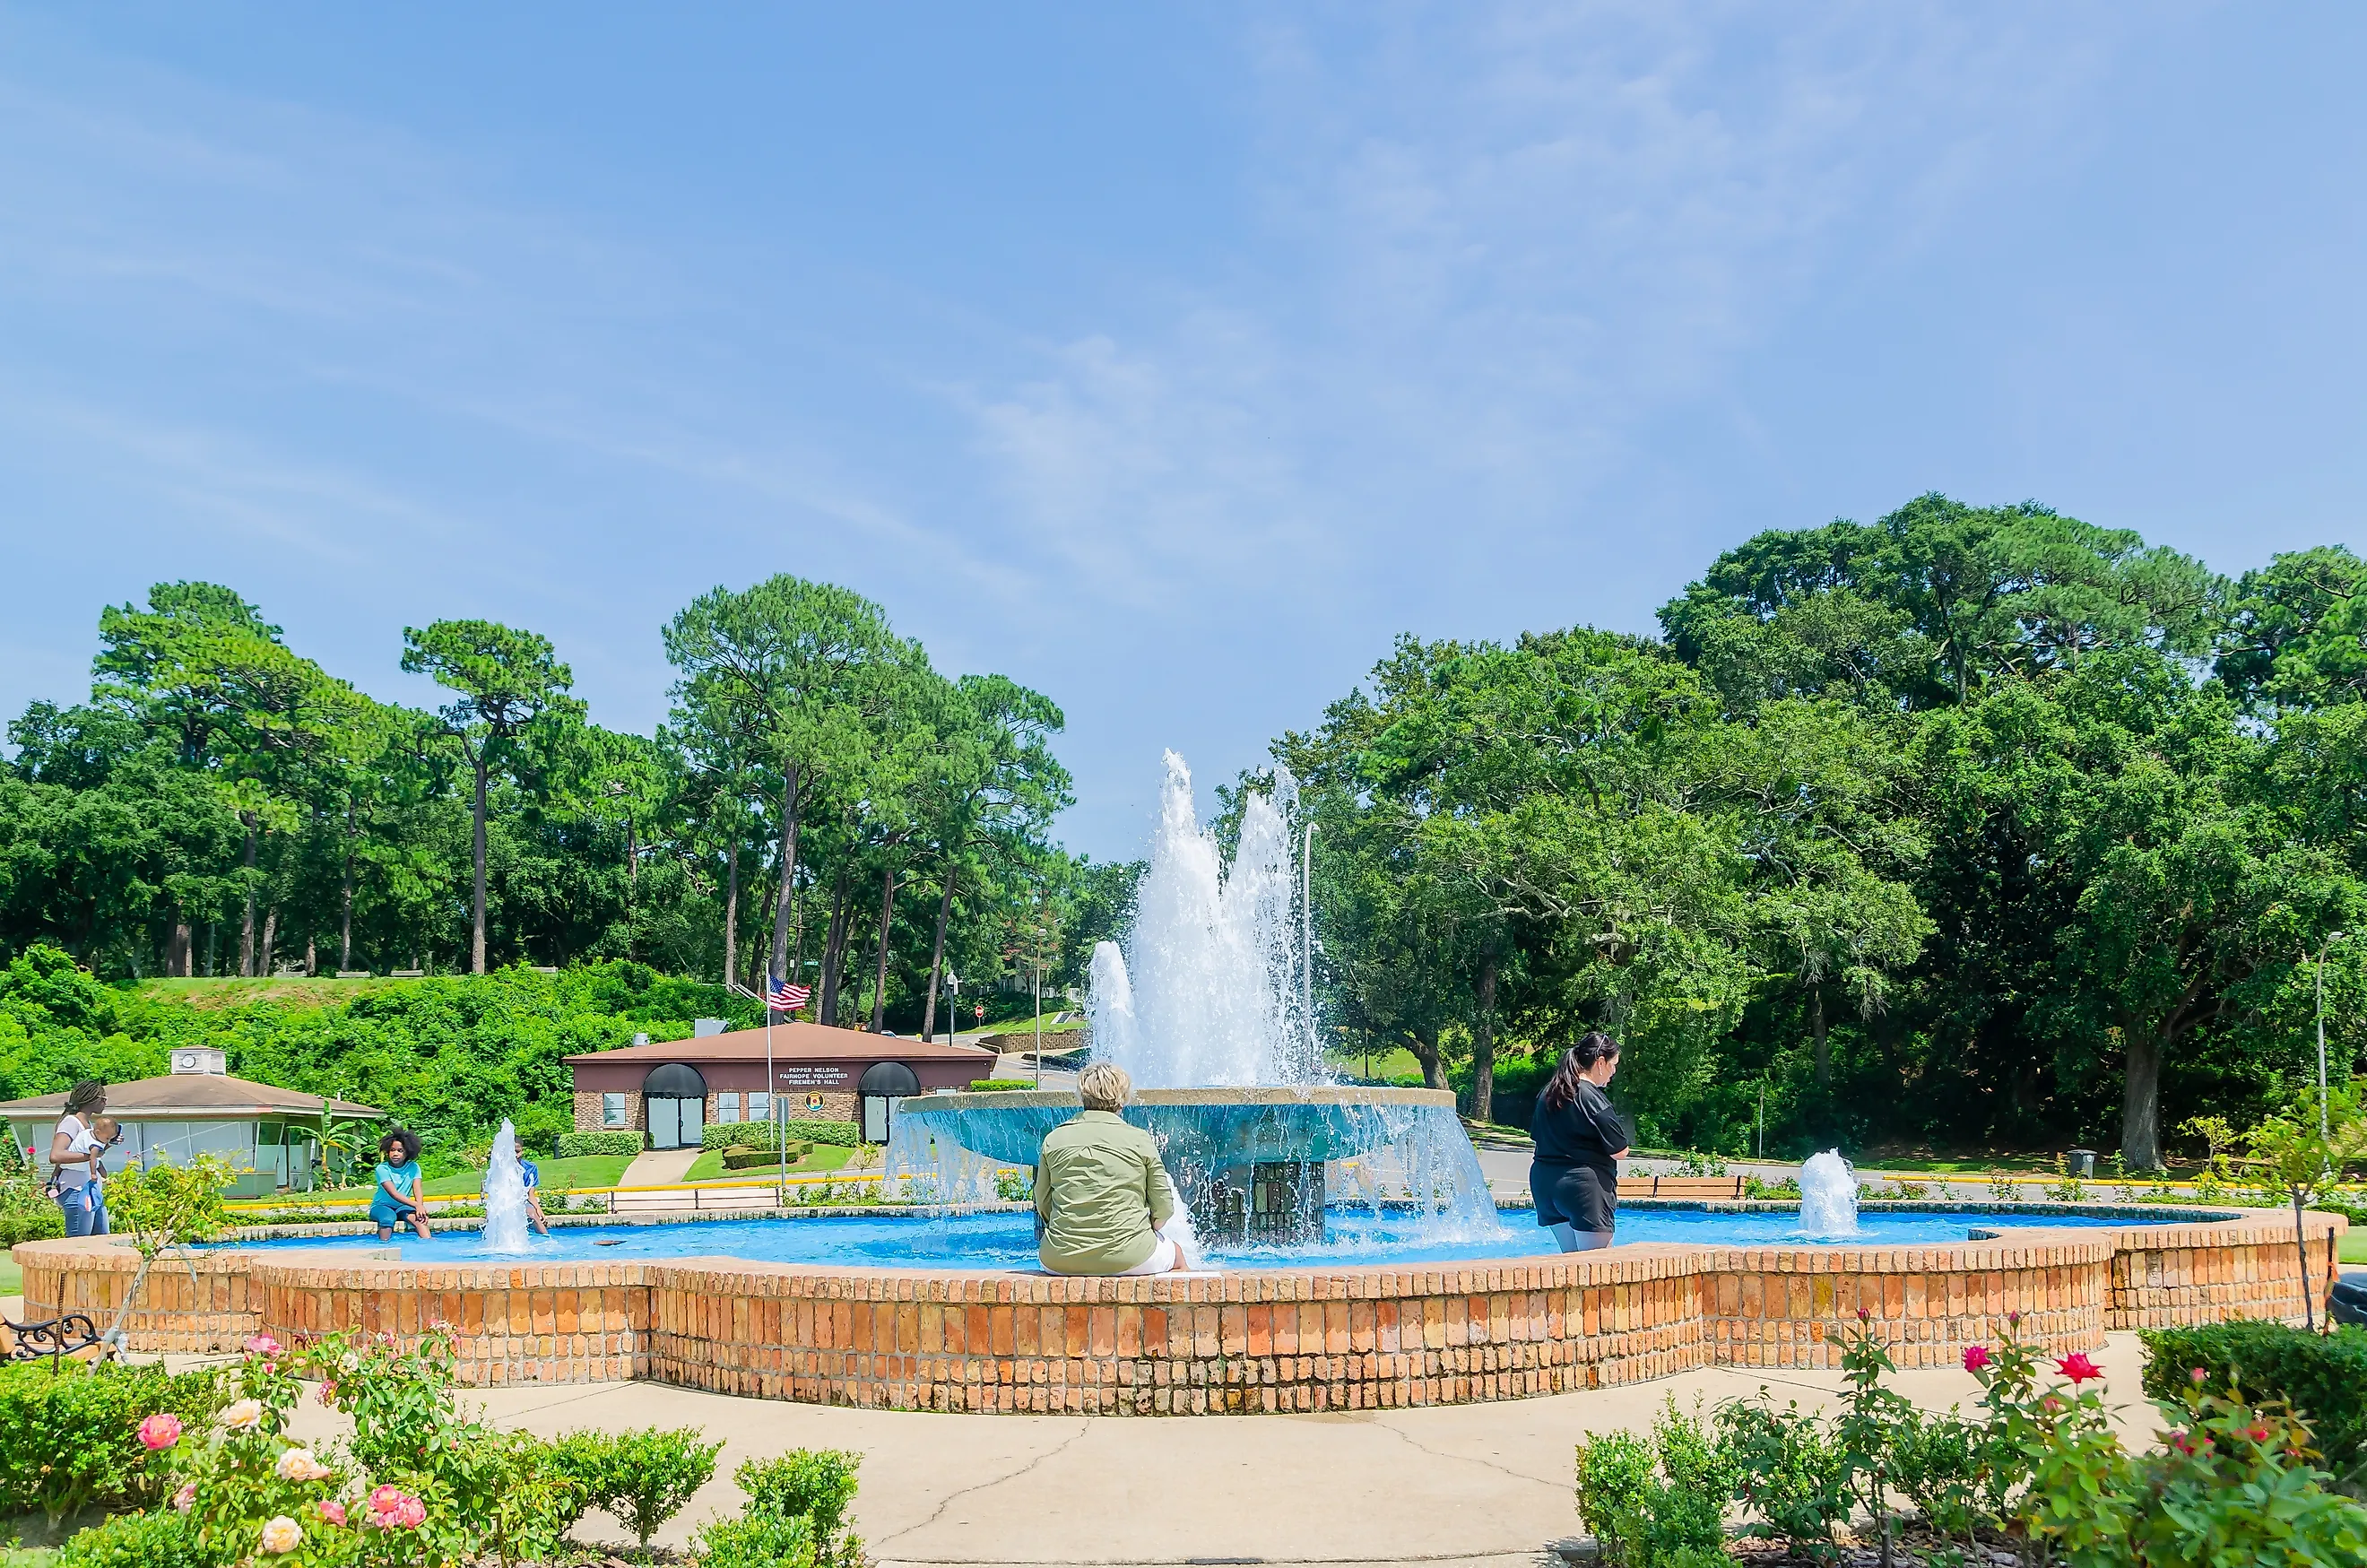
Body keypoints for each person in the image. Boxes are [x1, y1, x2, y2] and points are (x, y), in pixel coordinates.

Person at [1034, 1062, 1193, 1276]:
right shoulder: (1139, 1139)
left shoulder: (1054, 1139)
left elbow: (1043, 1203)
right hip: (1132, 1255)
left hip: (1059, 1259)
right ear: (1122, 1096)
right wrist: (1148, 1227)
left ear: (1082, 1095)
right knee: (1178, 1257)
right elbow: (1163, 1207)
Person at [1530, 1033, 1631, 1252]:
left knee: (1571, 1266)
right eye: (1613, 1065)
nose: (1614, 1072)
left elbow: (1538, 1138)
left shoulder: (1549, 1091)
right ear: (1601, 1062)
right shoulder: (1591, 1096)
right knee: (1597, 1271)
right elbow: (1620, 1151)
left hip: (1545, 1184)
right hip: (1583, 1187)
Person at [48, 1081, 116, 1237]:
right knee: (79, 1246)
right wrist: (90, 1156)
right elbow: (56, 1155)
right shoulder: (71, 1122)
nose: (105, 1102)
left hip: (91, 1192)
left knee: (101, 1243)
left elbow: (92, 1155)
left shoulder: (89, 1126)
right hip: (76, 1191)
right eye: (103, 1098)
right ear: (91, 1099)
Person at [371, 1130, 431, 1243]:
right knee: (388, 1219)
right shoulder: (382, 1169)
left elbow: (417, 1189)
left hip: (403, 1206)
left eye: (400, 1151)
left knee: (419, 1220)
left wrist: (420, 1208)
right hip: (382, 1206)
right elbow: (393, 1193)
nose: (395, 1154)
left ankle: (429, 1244)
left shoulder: (414, 1167)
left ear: (407, 1152)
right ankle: (384, 1247)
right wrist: (416, 1205)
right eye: (392, 1150)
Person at [516, 1154, 552, 1237]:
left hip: (522, 1200)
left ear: (522, 1151)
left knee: (532, 1214)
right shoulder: (501, 1167)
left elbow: (530, 1194)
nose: (515, 1155)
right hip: (505, 1200)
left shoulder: (530, 1167)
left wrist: (538, 1209)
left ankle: (546, 1238)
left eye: (517, 1151)